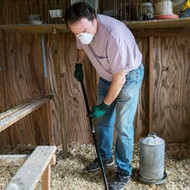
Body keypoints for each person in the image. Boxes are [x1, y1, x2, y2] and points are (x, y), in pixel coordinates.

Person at [65, 3, 144, 190]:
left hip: (128, 76)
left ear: (94, 18)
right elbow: (81, 46)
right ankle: (105, 157)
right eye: (76, 33)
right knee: (102, 122)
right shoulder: (81, 30)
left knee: (123, 126)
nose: (81, 35)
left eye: (84, 31)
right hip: (107, 77)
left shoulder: (114, 36)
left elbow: (120, 79)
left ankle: (124, 171)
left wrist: (104, 105)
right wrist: (79, 64)